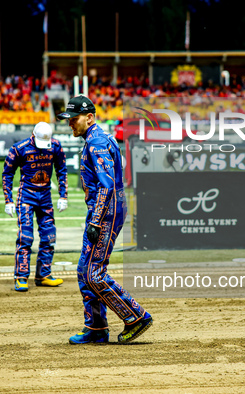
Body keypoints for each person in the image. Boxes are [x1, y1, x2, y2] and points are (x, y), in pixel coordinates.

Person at [57, 95, 153, 344]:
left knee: (93, 273)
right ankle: (96, 329)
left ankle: (136, 316)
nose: (70, 124)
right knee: (84, 270)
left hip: (106, 213)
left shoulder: (96, 142)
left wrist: (95, 221)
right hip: (108, 211)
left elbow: (107, 185)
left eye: (74, 119)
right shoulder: (97, 138)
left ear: (89, 117)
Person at [2, 122, 68, 291]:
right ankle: (21, 277)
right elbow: (7, 173)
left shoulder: (55, 145)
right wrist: (8, 200)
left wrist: (63, 195)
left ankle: (43, 275)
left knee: (49, 235)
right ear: (33, 134)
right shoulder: (19, 148)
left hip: (46, 196)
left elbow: (62, 169)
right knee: (25, 237)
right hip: (26, 197)